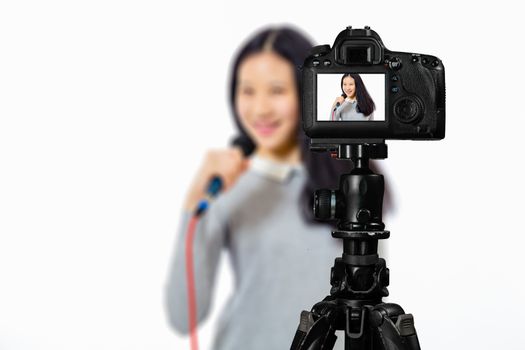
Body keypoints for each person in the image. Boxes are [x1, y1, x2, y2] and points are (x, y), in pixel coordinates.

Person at [165, 26, 353, 350]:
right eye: (247, 91)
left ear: (307, 92)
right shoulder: (226, 187)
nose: (260, 108)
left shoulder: (346, 181)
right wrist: (192, 203)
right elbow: (183, 317)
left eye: (277, 90)